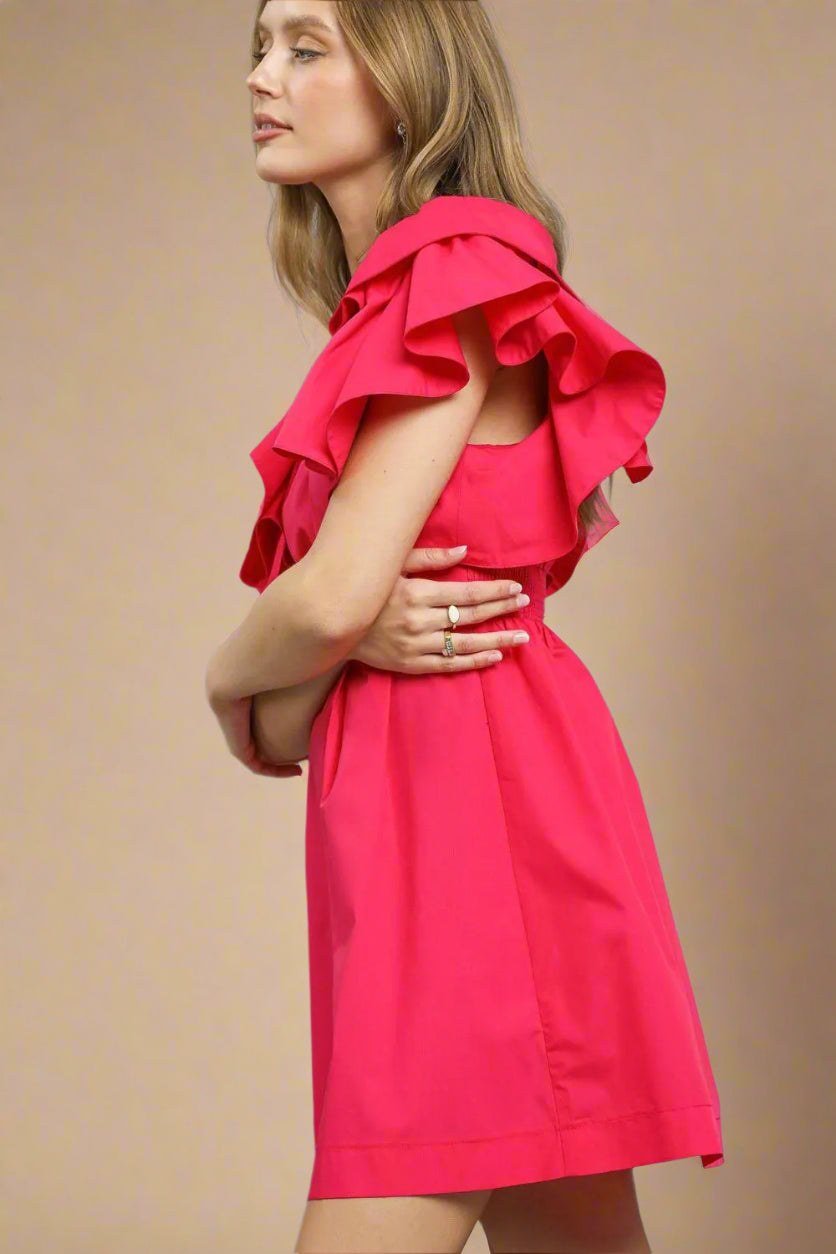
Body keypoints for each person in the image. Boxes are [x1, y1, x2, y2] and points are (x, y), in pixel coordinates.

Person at [204, 3, 725, 1251]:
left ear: (406, 77)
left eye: (305, 45)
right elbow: (298, 704)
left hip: (476, 831)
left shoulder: (458, 270)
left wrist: (229, 669)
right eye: (259, 46)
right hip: (437, 814)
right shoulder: (393, 300)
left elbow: (320, 612)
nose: (261, 77)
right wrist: (303, 660)